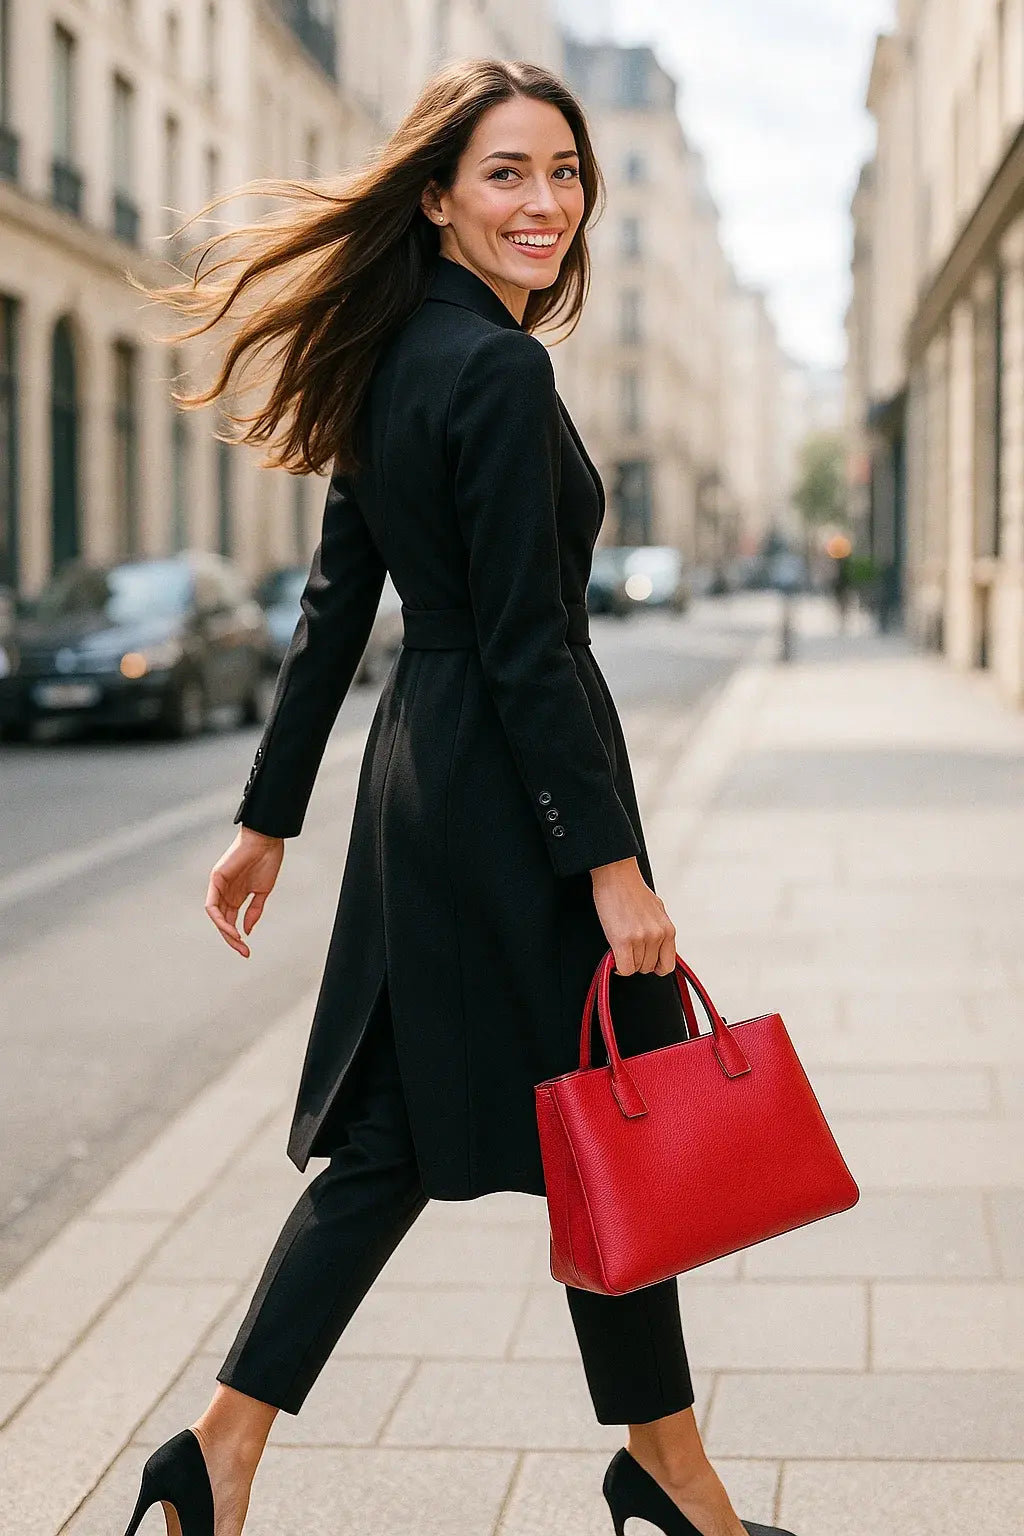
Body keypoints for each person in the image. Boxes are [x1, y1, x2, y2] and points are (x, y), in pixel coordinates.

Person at [123, 59, 795, 1536]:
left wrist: (271, 816)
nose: (545, 201)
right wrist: (611, 866)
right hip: (510, 794)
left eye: (564, 172)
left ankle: (218, 1454)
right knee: (605, 1112)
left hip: (423, 781)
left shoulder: (393, 356)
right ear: (435, 197)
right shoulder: (496, 368)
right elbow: (525, 644)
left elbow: (330, 607)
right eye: (507, 173)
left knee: (407, 1134)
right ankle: (675, 1482)